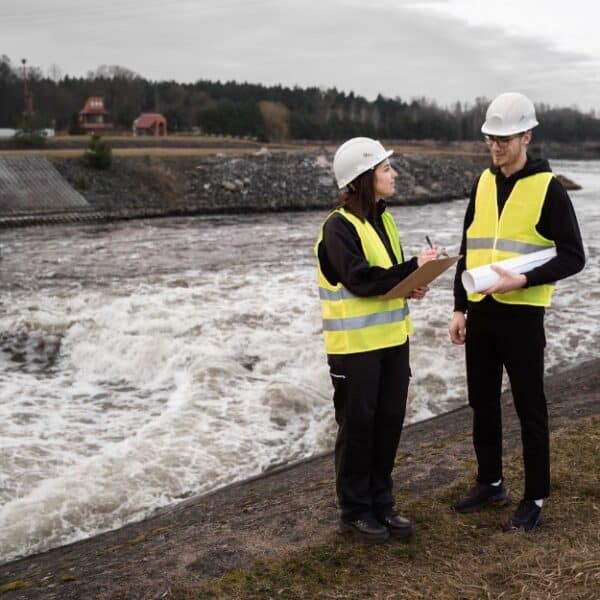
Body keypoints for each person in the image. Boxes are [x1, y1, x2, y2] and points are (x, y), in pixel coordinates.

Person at [448, 92, 585, 532]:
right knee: (482, 403)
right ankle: (490, 482)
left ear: (527, 135)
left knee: (530, 408)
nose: (496, 146)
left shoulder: (549, 189)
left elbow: (574, 256)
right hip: (482, 313)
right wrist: (458, 306)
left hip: (523, 317)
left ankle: (535, 498)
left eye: (505, 138)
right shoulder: (483, 182)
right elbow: (469, 246)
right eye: (491, 138)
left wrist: (524, 280)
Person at [315, 137, 439, 543]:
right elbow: (361, 280)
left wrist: (413, 283)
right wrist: (409, 270)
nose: (394, 174)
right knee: (358, 427)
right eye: (386, 168)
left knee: (388, 422)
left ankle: (382, 503)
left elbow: (387, 280)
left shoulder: (385, 220)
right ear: (364, 178)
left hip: (392, 341)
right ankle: (355, 510)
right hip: (355, 351)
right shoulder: (337, 227)